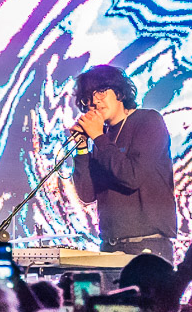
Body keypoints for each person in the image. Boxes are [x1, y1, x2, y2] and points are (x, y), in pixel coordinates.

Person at [71, 65, 178, 263]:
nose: (95, 101)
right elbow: (87, 194)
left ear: (119, 92)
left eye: (102, 92)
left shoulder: (148, 121)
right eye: (88, 98)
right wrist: (81, 147)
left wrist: (98, 137)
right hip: (110, 246)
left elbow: (131, 177)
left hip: (147, 246)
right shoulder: (101, 140)